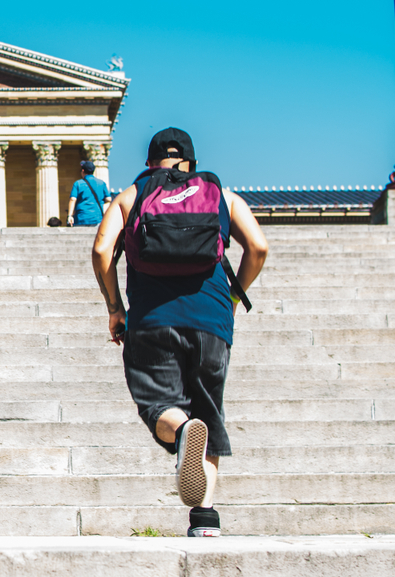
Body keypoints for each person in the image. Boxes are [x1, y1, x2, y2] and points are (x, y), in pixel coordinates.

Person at [91, 127, 268, 538]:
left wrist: (115, 308)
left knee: (161, 407)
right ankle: (205, 518)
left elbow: (102, 251)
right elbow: (258, 247)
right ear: (192, 161)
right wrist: (234, 300)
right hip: (213, 322)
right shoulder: (220, 195)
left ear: (150, 162)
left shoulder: (132, 196)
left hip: (152, 321)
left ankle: (183, 430)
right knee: (209, 410)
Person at [67, 160, 111, 226]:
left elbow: (72, 199)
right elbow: (108, 199)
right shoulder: (101, 183)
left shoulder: (78, 183)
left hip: (81, 217)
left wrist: (70, 215)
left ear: (83, 171)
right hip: (97, 218)